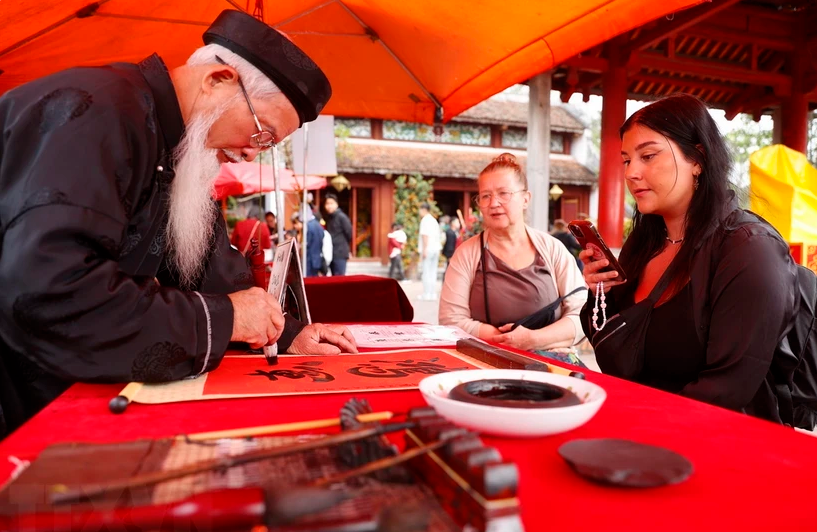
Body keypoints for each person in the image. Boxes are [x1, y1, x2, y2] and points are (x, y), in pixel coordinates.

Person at [0, 10, 358, 439]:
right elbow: (52, 291)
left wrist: (286, 333)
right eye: (263, 134)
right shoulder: (97, 113)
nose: (251, 154)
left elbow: (211, 272)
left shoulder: (176, 145)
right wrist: (226, 319)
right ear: (218, 80)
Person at [579, 93, 801, 425]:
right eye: (627, 160)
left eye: (648, 156)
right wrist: (601, 291)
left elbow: (727, 388)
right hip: (638, 422)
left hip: (717, 441)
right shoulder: (646, 240)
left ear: (697, 158)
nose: (632, 172)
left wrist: (640, 424)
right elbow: (616, 348)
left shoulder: (749, 250)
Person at [439, 154, 587, 365]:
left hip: (552, 363)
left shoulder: (552, 249)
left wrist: (532, 339)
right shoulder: (467, 254)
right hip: (487, 361)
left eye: (503, 194)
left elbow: (581, 314)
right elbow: (450, 320)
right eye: (485, 196)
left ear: (525, 199)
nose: (494, 203)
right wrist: (494, 336)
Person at [324, 194, 352, 275]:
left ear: (337, 204)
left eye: (331, 203)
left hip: (340, 253)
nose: (329, 206)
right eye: (327, 203)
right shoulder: (329, 217)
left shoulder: (342, 217)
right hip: (331, 252)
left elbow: (349, 233)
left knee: (339, 278)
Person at [418, 203, 442, 300]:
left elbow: (425, 235)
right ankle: (432, 294)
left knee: (426, 271)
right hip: (435, 249)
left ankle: (427, 294)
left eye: (420, 210)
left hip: (428, 249)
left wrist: (424, 249)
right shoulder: (433, 220)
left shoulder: (425, 220)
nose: (419, 212)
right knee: (433, 272)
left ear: (424, 209)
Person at [292, 211, 325, 277]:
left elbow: (306, 244)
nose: (294, 226)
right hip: (316, 259)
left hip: (309, 260)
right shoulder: (317, 224)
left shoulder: (308, 226)